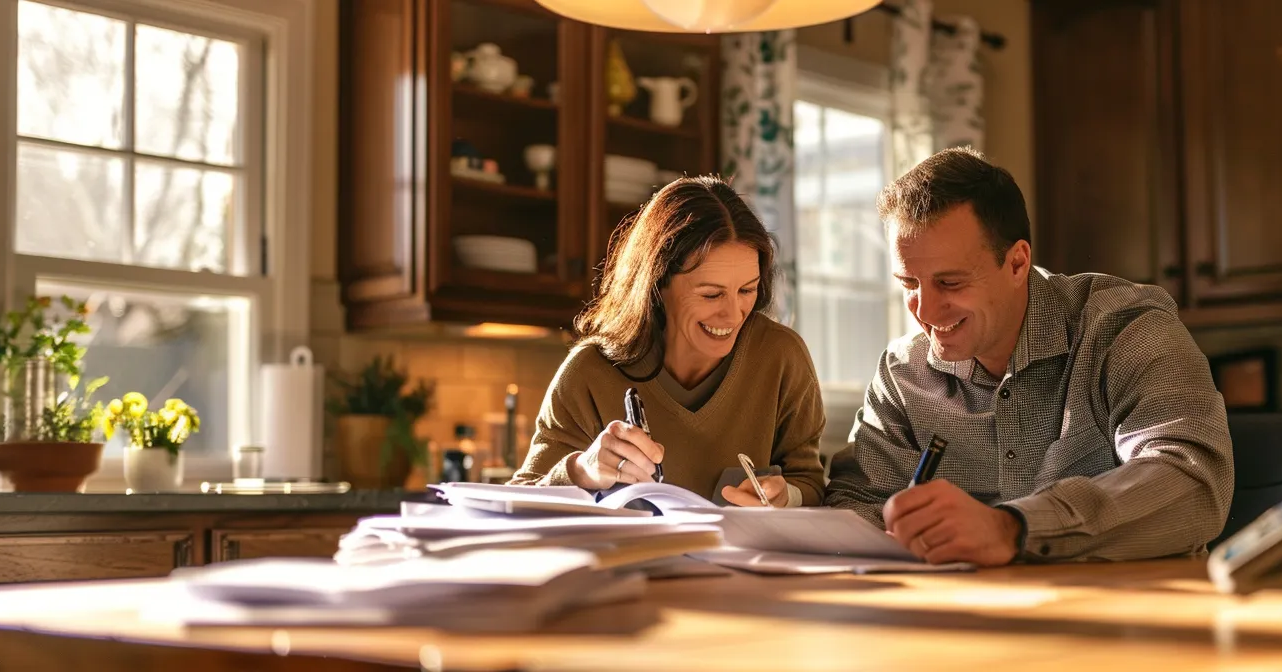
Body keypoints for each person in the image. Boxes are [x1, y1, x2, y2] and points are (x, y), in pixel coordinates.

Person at [825, 148, 1234, 565]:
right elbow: (856, 502)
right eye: (909, 282)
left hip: (1134, 616)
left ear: (1017, 262)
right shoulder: (902, 374)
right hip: (960, 619)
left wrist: (1012, 528)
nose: (925, 312)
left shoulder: (1125, 330)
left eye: (950, 282)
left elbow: (1192, 482)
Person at [510, 176, 825, 508]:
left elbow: (811, 483)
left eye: (747, 290)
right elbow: (519, 501)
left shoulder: (781, 356)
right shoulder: (589, 372)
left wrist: (786, 496)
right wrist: (581, 470)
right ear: (657, 285)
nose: (733, 314)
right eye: (711, 294)